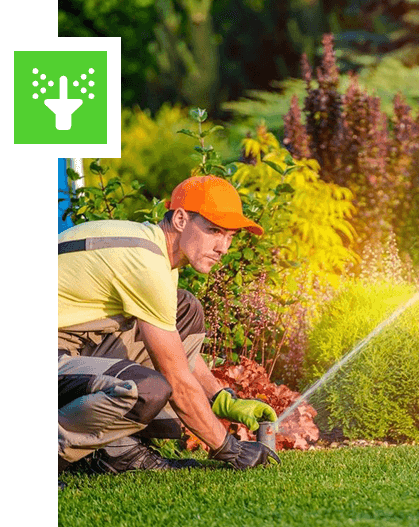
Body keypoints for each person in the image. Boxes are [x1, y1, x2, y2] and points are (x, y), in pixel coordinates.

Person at [58, 175, 281, 480]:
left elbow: (173, 349)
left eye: (230, 236)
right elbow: (175, 377)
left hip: (74, 341)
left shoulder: (155, 253)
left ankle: (119, 452)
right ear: (180, 219)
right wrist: (229, 448)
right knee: (145, 390)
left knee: (184, 309)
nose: (224, 247)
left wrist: (221, 398)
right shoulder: (145, 262)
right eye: (214, 231)